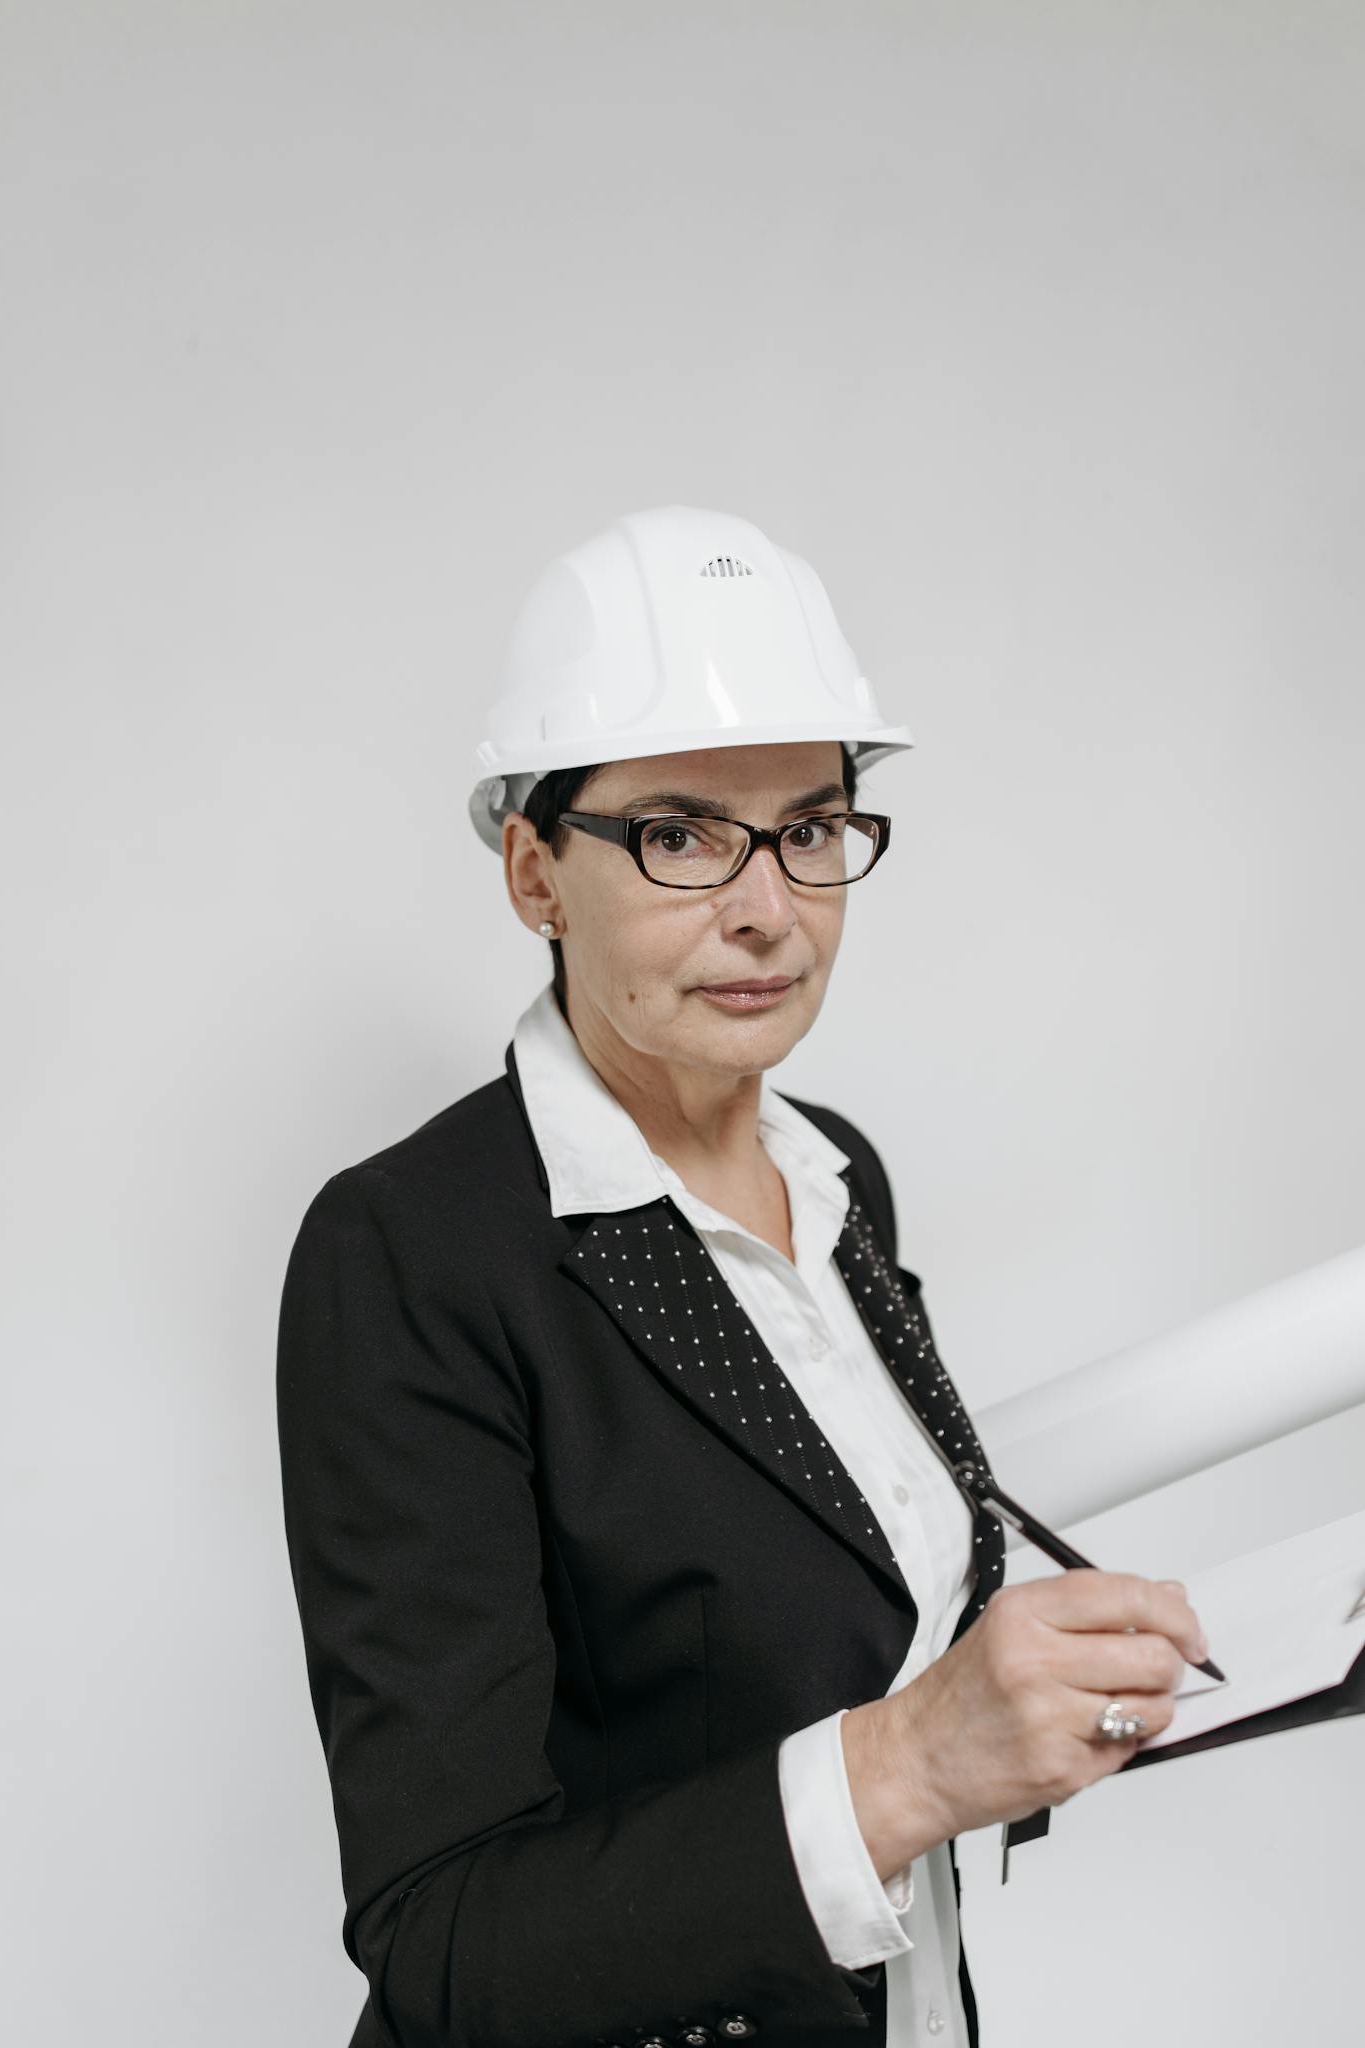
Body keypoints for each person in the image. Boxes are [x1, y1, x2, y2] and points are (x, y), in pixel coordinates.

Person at [276, 505, 1207, 2048]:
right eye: (681, 832)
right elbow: (445, 1941)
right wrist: (913, 1763)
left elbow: (831, 1588)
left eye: (813, 827)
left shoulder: (839, 1175)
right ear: (532, 870)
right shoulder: (414, 1252)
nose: (770, 907)